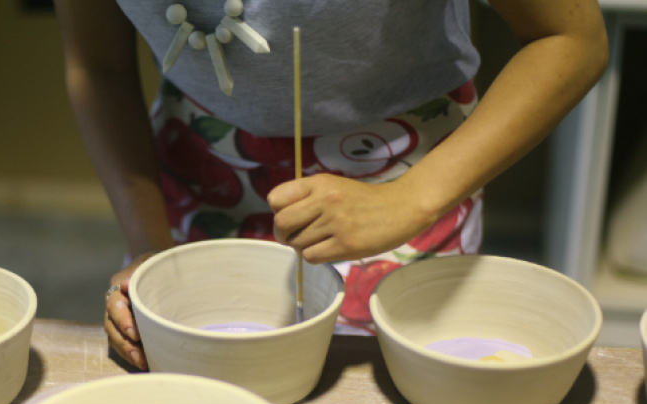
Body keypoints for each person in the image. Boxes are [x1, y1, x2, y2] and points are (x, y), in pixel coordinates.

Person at [54, 0, 608, 370]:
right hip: (198, 159)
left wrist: (411, 199)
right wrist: (149, 245)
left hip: (408, 167)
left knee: (390, 395)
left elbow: (571, 38)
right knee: (201, 379)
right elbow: (99, 65)